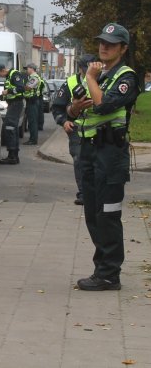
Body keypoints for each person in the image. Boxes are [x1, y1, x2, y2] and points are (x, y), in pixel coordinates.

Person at [70, 22, 140, 291]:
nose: (103, 47)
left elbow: (105, 104)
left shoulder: (126, 77)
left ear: (122, 49)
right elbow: (74, 112)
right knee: (92, 214)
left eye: (110, 44)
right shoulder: (100, 75)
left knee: (108, 214)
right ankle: (103, 268)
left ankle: (110, 273)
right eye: (101, 42)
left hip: (111, 155)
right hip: (89, 151)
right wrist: (74, 108)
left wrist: (89, 78)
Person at [52, 53, 96, 205]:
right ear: (80, 68)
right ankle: (84, 193)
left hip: (99, 128)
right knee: (79, 159)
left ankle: (96, 192)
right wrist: (64, 122)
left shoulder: (104, 80)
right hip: (76, 128)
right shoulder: (71, 82)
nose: (88, 73)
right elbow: (57, 108)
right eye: (85, 69)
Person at [0, 63, 25, 164]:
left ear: (3, 70)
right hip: (13, 104)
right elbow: (10, 93)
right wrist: (0, 97)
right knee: (11, 127)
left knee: (9, 127)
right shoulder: (9, 77)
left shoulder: (14, 75)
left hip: (16, 104)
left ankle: (12, 156)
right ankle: (13, 155)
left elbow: (21, 88)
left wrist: (8, 91)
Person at [22, 63, 41, 145]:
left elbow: (28, 87)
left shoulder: (34, 77)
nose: (26, 70)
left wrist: (21, 87)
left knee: (32, 121)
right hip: (31, 101)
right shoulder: (31, 77)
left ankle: (33, 140)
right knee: (31, 121)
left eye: (27, 68)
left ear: (32, 69)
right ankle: (32, 138)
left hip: (33, 101)